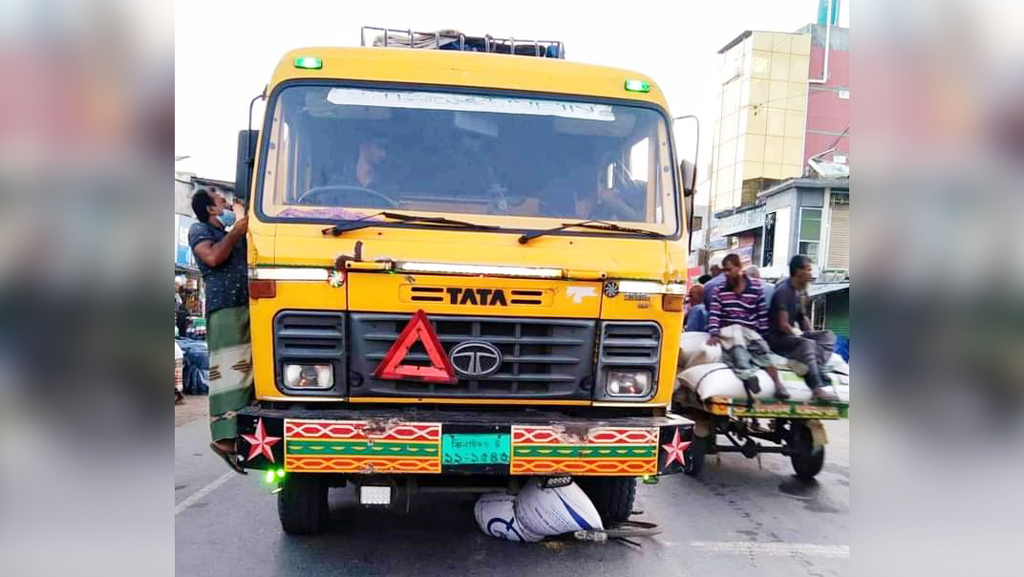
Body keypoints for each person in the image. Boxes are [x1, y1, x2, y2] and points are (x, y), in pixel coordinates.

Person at [189, 188, 252, 474]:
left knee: (246, 370)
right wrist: (236, 232)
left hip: (244, 304)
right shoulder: (199, 230)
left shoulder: (226, 229)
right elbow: (213, 258)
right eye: (221, 201)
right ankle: (224, 439)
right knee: (228, 371)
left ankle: (239, 434)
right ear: (211, 209)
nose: (225, 203)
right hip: (225, 307)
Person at [706, 253, 788, 400]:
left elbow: (761, 313)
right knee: (737, 345)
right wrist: (714, 333)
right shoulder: (720, 290)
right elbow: (715, 314)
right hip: (729, 330)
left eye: (729, 270)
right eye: (724, 270)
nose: (726, 274)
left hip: (749, 331)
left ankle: (778, 386)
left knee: (763, 351)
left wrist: (763, 336)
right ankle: (748, 376)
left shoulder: (756, 287)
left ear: (739, 268)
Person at [767, 255, 839, 402]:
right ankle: (816, 388)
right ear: (798, 272)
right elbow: (783, 325)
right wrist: (804, 338)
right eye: (808, 270)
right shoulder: (783, 291)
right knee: (807, 344)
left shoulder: (800, 291)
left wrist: (812, 334)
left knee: (828, 336)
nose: (811, 274)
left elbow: (802, 318)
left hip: (792, 335)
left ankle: (815, 368)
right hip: (778, 339)